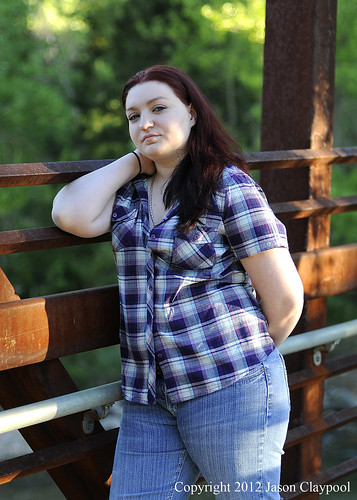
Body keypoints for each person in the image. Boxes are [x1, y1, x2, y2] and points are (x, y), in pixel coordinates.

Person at [52, 65, 304, 499]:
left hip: (229, 385)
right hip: (147, 396)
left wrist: (241, 366)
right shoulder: (129, 196)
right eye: (133, 116)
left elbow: (285, 299)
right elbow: (68, 214)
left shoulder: (228, 186)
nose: (144, 122)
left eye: (158, 108)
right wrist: (135, 160)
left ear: (191, 113)